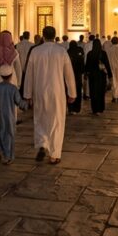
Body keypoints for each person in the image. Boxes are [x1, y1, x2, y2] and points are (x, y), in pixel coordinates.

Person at [23, 26, 76, 164]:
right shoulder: (61, 51)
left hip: (40, 90)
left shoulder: (35, 51)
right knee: (57, 121)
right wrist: (72, 92)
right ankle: (54, 154)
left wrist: (27, 93)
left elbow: (29, 74)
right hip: (57, 91)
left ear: (43, 36)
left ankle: (42, 144)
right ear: (55, 35)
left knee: (40, 118)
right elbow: (69, 74)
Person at [0, 64, 27, 164]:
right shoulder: (13, 88)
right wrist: (26, 105)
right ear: (11, 75)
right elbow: (19, 102)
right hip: (9, 116)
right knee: (9, 135)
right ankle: (8, 157)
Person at [85, 35, 112, 114]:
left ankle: (95, 109)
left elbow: (87, 65)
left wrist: (86, 74)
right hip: (101, 76)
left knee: (93, 92)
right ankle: (100, 108)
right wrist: (110, 75)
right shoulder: (103, 53)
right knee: (101, 92)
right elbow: (107, 64)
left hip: (92, 76)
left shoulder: (90, 54)